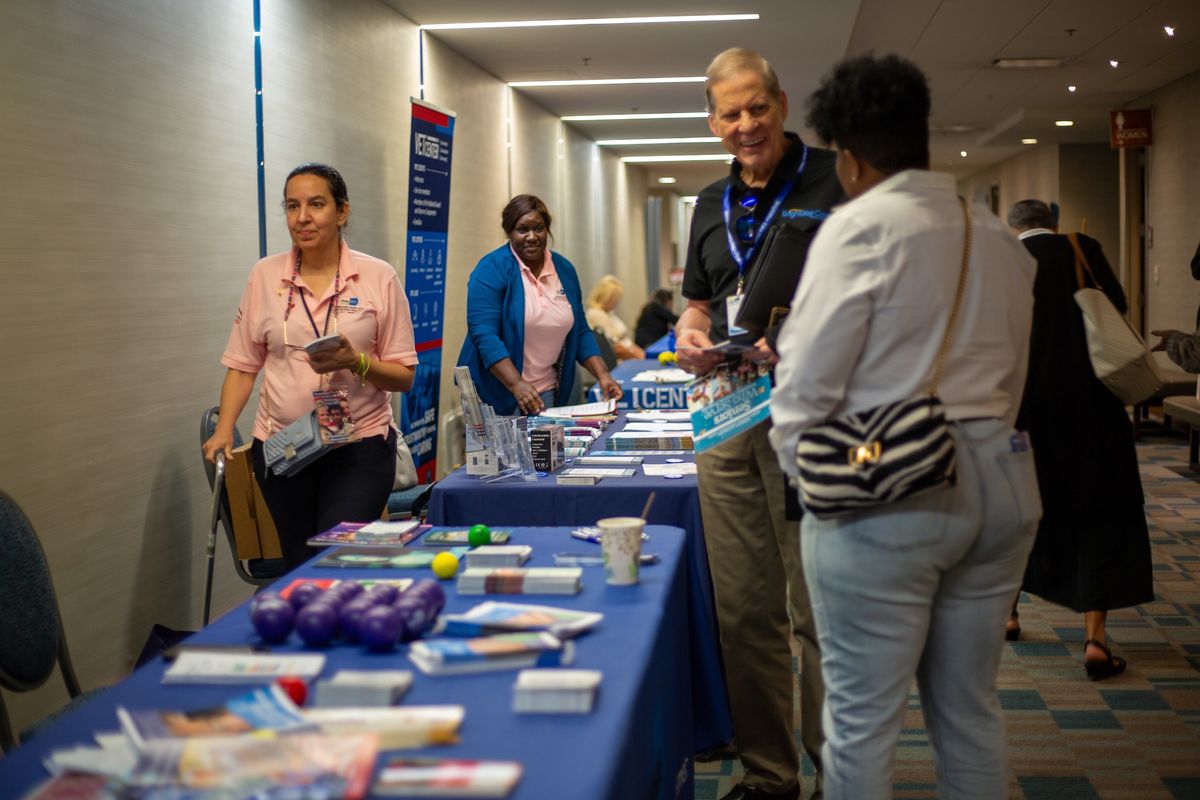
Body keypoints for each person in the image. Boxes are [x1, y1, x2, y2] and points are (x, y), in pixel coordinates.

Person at [769, 55, 1041, 798]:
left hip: (888, 485)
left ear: (850, 160)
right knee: (971, 712)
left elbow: (801, 391)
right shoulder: (999, 240)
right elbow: (1014, 381)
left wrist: (814, 478)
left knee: (860, 724)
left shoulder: (857, 230)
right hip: (1004, 479)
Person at [676, 47, 844, 800]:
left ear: (782, 101)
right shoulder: (709, 204)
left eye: (757, 107)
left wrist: (804, 332)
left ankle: (842, 773)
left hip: (821, 420)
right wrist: (688, 333)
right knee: (745, 612)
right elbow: (700, 302)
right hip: (730, 422)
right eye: (730, 114)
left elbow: (880, 295)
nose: (746, 125)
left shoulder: (838, 178)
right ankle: (771, 775)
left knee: (822, 610)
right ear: (713, 122)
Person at [203, 163, 417, 568]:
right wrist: (227, 428)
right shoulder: (265, 276)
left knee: (338, 557)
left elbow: (405, 376)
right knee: (300, 564)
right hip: (284, 447)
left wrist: (355, 363)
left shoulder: (378, 277)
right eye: (292, 206)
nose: (302, 217)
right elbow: (244, 364)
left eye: (316, 204)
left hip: (360, 444)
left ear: (342, 212)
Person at [1005, 199, 1153, 677]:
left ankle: (1007, 613)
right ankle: (1094, 642)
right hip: (1090, 408)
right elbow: (1118, 310)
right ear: (1052, 223)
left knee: (1021, 511)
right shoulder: (1080, 248)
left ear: (1014, 227)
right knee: (1099, 514)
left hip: (1022, 411)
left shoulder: (998, 257)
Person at [456, 194, 621, 416]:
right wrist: (516, 384)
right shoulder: (491, 269)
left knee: (546, 452)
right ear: (509, 232)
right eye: (522, 230)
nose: (532, 237)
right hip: (497, 390)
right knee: (505, 453)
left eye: (539, 228)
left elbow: (580, 330)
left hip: (547, 389)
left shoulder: (564, 270)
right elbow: (484, 334)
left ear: (547, 230)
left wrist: (603, 375)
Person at [585, 275, 645, 360]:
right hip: (619, 362)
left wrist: (640, 353)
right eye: (614, 299)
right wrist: (638, 355)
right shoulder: (596, 314)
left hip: (628, 356)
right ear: (605, 296)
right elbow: (615, 347)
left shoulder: (608, 312)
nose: (616, 302)